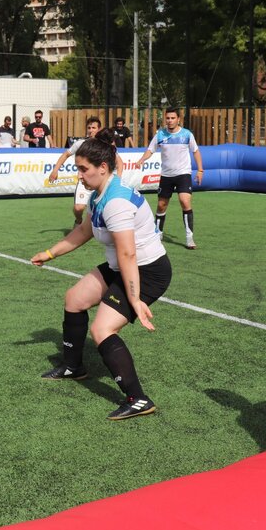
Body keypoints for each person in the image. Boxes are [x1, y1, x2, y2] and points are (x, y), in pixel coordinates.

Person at [31, 128, 171, 421]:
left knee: (102, 330)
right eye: (77, 169)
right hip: (124, 266)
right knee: (74, 299)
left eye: (83, 169)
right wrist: (49, 253)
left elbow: (128, 254)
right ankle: (73, 367)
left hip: (147, 271)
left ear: (103, 167)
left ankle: (138, 399)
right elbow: (84, 231)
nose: (79, 175)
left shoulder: (116, 201)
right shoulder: (100, 193)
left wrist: (134, 300)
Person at [133, 107, 204, 250]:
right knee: (161, 205)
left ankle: (189, 238)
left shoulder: (187, 134)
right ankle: (157, 234)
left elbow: (195, 151)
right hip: (166, 175)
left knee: (185, 201)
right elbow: (150, 150)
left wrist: (200, 170)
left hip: (183, 174)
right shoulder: (160, 135)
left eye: (173, 118)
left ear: (178, 119)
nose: (170, 121)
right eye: (168, 118)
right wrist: (141, 160)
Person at [49, 116, 104, 227]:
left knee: (106, 208)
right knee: (78, 208)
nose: (91, 130)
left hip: (100, 182)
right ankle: (78, 221)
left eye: (93, 127)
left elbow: (118, 161)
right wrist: (55, 171)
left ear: (99, 129)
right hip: (84, 181)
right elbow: (66, 154)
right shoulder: (80, 143)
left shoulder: (104, 144)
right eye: (89, 127)